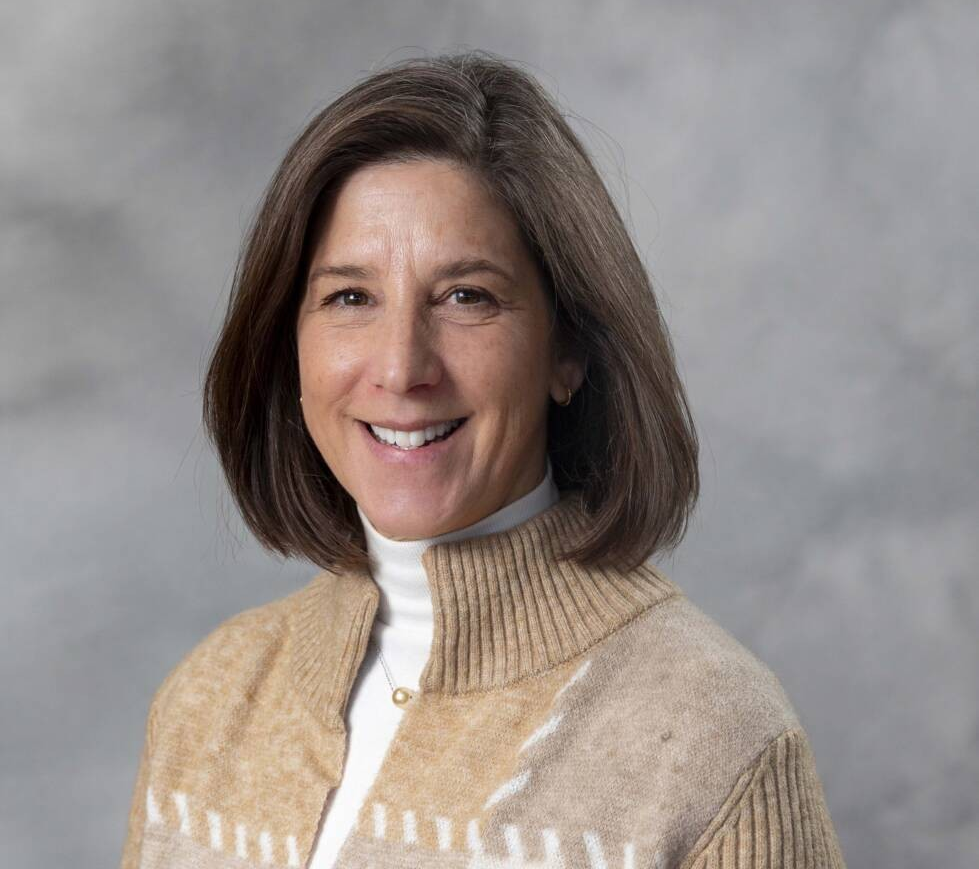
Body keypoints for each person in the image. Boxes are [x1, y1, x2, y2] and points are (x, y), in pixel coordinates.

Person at [119, 50, 847, 869]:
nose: (400, 367)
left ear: (567, 348)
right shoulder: (210, 696)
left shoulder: (715, 738)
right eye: (350, 297)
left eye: (466, 296)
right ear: (290, 345)